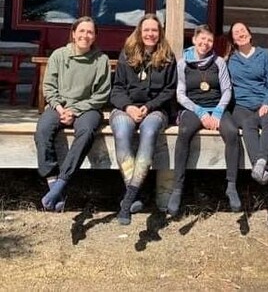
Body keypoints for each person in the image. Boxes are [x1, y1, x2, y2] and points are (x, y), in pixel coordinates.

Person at [35, 16, 111, 211]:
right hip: (59, 106)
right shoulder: (59, 56)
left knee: (86, 132)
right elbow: (49, 87)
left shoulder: (100, 60)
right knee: (43, 129)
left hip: (88, 108)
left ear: (95, 37)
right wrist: (61, 109)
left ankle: (63, 181)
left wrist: (75, 111)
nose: (85, 35)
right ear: (73, 33)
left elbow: (101, 94)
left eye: (90, 32)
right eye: (82, 31)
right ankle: (53, 182)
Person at [109, 14, 177, 225]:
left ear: (160, 33)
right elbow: (117, 89)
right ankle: (135, 192)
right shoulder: (126, 54)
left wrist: (149, 107)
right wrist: (128, 107)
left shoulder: (167, 56)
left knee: (148, 133)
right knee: (122, 133)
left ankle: (128, 199)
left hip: (155, 110)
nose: (150, 34)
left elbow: (169, 90)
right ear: (139, 31)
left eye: (154, 30)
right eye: (146, 30)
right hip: (125, 108)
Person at [167, 25, 241, 216]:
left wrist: (216, 113)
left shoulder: (219, 62)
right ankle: (177, 188)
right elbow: (181, 95)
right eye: (202, 39)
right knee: (183, 133)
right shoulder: (183, 63)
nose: (205, 43)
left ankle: (231, 186)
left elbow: (227, 90)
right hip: (193, 108)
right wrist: (200, 112)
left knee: (232, 133)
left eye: (209, 40)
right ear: (194, 40)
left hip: (217, 108)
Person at [226, 21, 268, 185]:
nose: (240, 34)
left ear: (249, 34)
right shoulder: (231, 60)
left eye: (243, 30)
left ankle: (260, 162)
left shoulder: (264, 55)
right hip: (241, 106)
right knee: (249, 123)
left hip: (261, 103)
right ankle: (261, 165)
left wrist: (267, 103)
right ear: (234, 40)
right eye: (236, 33)